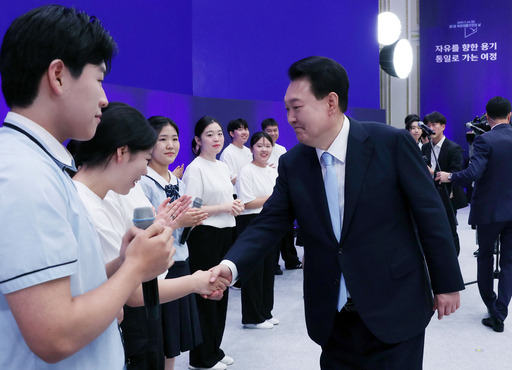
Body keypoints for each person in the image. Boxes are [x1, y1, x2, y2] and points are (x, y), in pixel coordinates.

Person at [208, 56, 464, 369]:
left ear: (331, 102)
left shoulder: (390, 143)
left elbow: (431, 215)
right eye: (287, 108)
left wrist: (447, 283)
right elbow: (269, 223)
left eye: (297, 107)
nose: (289, 118)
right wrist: (230, 266)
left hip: (395, 305)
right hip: (332, 316)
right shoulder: (295, 164)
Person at [0, 6, 175, 369]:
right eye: (99, 79)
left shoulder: (34, 164)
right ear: (58, 76)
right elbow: (55, 334)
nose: (104, 100)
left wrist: (121, 265)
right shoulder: (20, 175)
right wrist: (135, 271)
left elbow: (62, 289)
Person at [71, 104, 226, 369]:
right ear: (122, 152)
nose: (144, 172)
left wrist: (159, 228)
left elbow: (110, 273)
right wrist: (196, 282)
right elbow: (130, 290)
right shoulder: (83, 205)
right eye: (144, 160)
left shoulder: (101, 194)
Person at [436, 96, 512, 333]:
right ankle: (500, 311)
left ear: (487, 117)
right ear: (510, 116)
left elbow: (474, 173)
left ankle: (491, 306)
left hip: (489, 211)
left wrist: (450, 176)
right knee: (509, 262)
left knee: (485, 258)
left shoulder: (484, 140)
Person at [139, 115, 209, 369]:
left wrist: (190, 221)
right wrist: (178, 222)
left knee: (174, 336)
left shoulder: (176, 181)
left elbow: (178, 224)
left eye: (175, 139)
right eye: (163, 139)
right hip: (159, 265)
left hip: (181, 258)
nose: (171, 145)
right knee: (159, 335)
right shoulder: (142, 183)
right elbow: (145, 230)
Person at [183, 116, 244, 370]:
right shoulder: (195, 168)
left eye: (219, 133)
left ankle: (214, 349)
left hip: (225, 233)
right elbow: (193, 209)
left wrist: (233, 207)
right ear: (198, 140)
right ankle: (201, 357)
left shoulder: (221, 167)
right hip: (205, 235)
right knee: (206, 295)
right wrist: (224, 207)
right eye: (210, 134)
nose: (217, 138)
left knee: (221, 292)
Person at [235, 131, 279, 330]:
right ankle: (252, 317)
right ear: (251, 149)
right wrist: (272, 199)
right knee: (254, 271)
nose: (264, 150)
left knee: (268, 269)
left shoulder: (271, 170)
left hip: (271, 221)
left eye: (268, 146)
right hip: (253, 221)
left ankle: (265, 312)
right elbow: (248, 202)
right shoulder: (247, 171)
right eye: (260, 146)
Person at [422, 111, 468, 255]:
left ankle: (454, 256)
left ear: (443, 126)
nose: (431, 128)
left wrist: (432, 172)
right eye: (428, 125)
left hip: (448, 194)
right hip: (430, 193)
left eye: (434, 124)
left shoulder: (453, 148)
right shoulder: (425, 147)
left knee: (449, 227)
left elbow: (457, 173)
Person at [261, 118, 302, 273]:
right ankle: (274, 264)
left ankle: (291, 260)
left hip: (284, 194)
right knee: (273, 232)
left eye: (275, 130)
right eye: (269, 130)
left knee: (288, 231)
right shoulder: (261, 148)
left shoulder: (282, 149)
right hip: (266, 196)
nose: (273, 133)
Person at [219, 118, 252, 195]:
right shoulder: (227, 153)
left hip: (250, 193)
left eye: (246, 129)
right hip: (236, 197)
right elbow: (230, 179)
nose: (244, 132)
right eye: (240, 130)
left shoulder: (249, 151)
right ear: (232, 133)